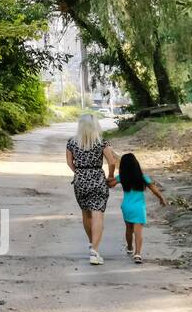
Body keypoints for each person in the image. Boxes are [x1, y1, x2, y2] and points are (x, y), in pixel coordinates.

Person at [66, 113, 119, 264]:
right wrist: (110, 176)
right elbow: (112, 161)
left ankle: (92, 244)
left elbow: (69, 163)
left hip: (80, 179)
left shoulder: (71, 142)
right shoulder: (102, 142)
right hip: (97, 178)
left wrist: (79, 172)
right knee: (98, 214)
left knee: (86, 214)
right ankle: (95, 251)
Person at [108, 152, 167, 263]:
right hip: (139, 207)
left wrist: (108, 177)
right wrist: (161, 198)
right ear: (136, 164)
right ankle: (138, 254)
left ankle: (130, 247)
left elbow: (110, 184)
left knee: (128, 229)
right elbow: (154, 190)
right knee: (138, 231)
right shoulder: (143, 177)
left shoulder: (122, 177)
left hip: (126, 206)